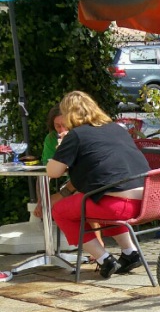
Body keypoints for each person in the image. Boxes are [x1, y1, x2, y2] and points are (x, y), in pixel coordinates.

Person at [47, 91, 152, 279]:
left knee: (61, 210)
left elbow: (53, 172)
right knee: (96, 199)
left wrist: (60, 149)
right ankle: (130, 252)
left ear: (68, 114)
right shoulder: (116, 128)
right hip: (147, 202)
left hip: (119, 206)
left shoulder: (76, 135)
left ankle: (104, 259)